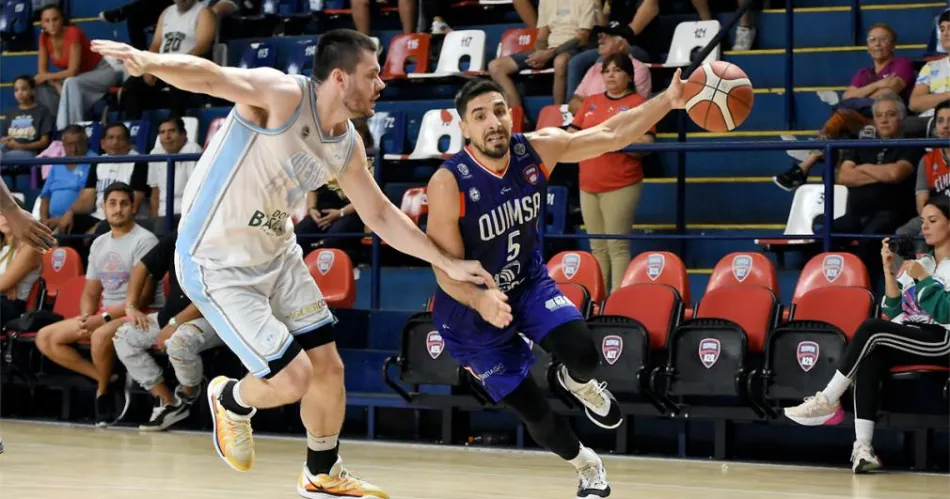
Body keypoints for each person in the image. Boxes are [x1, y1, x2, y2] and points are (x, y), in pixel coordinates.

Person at [92, 29, 493, 498]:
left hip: (277, 254)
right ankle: (230, 398)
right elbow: (210, 77)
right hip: (216, 262)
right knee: (292, 377)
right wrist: (149, 61)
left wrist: (445, 262)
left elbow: (381, 215)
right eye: (372, 74)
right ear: (340, 78)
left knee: (328, 368)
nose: (382, 84)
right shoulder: (281, 95)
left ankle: (322, 472)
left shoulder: (347, 144)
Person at [425, 74, 685, 497]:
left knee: (585, 354)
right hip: (469, 314)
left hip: (527, 283)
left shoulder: (536, 149)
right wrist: (479, 299)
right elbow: (443, 269)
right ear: (465, 128)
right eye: (480, 116)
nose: (493, 122)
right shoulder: (449, 182)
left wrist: (668, 100)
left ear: (510, 115)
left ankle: (576, 381)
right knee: (535, 411)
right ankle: (587, 465)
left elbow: (611, 134)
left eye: (498, 111)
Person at [784, 196, 950, 474]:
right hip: (915, 334)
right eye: (923, 221)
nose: (925, 227)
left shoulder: (932, 269)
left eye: (933, 221)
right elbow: (894, 311)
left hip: (944, 340)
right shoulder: (924, 262)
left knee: (871, 328)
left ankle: (827, 400)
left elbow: (946, 312)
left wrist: (923, 279)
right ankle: (863, 448)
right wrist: (888, 270)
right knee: (871, 355)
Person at [35, 182, 163, 426]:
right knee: (45, 338)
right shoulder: (99, 242)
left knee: (99, 335)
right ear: (103, 207)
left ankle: (102, 392)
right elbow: (91, 291)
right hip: (105, 313)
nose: (118, 209)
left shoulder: (145, 241)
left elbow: (141, 299)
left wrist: (101, 319)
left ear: (133, 207)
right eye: (112, 203)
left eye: (124, 203)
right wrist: (86, 315)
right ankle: (110, 379)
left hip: (139, 313)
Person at [114, 230, 222, 431]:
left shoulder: (223, 240)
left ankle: (188, 394)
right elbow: (142, 267)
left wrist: (174, 324)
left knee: (179, 342)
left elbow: (210, 297)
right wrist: (131, 306)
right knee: (124, 336)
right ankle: (167, 401)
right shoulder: (180, 234)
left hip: (213, 319)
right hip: (170, 316)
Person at [568, 53, 652, 291]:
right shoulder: (590, 102)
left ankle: (617, 304)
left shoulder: (638, 104)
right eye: (606, 71)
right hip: (588, 183)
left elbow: (647, 143)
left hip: (621, 184)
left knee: (617, 247)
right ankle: (598, 301)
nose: (611, 75)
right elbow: (572, 134)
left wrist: (612, 141)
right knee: (598, 248)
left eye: (617, 70)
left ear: (629, 76)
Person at [33, 4, 121, 131]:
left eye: (55, 19)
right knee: (41, 86)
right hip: (77, 78)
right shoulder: (43, 37)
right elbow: (42, 74)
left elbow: (72, 71)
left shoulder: (73, 32)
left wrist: (50, 78)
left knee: (71, 82)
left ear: (62, 20)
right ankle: (49, 130)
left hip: (101, 72)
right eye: (47, 21)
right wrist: (56, 84)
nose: (52, 24)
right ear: (42, 24)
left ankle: (74, 129)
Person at [0, 198, 42, 321]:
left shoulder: (30, 247)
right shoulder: (2, 248)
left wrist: (4, 285)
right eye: (0, 214)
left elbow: (3, 283)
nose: (5, 218)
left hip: (13, 306)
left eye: (9, 213)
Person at [1, 75, 53, 161]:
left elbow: (44, 142)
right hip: (8, 149)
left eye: (24, 89)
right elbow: (3, 138)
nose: (19, 93)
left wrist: (20, 146)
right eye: (16, 90)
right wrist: (5, 140)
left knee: (3, 157)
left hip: (29, 152)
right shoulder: (10, 112)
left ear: (33, 91)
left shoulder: (42, 111)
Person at [0, 180, 55, 252]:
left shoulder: (30, 245)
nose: (5, 218)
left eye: (5, 214)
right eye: (0, 215)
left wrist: (12, 209)